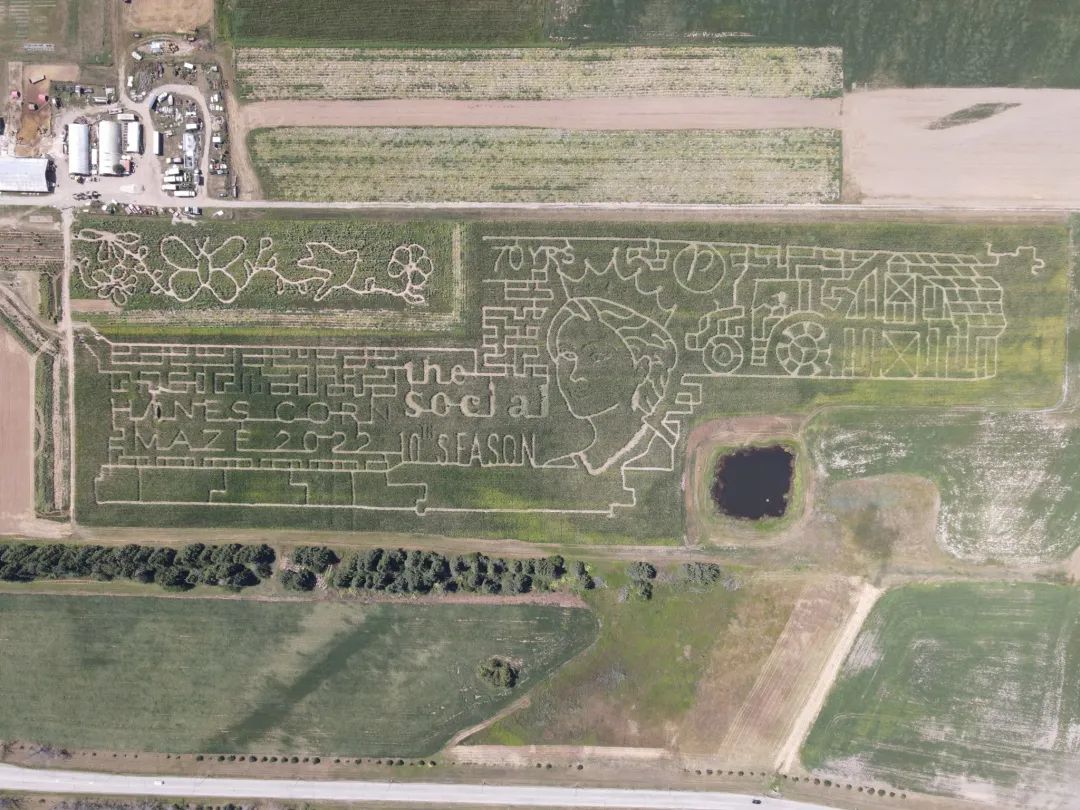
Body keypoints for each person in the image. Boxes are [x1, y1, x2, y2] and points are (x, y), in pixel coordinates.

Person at [546, 296, 677, 475]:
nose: (576, 374)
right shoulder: (567, 463)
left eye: (597, 356)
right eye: (567, 355)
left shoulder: (656, 448)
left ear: (641, 370)